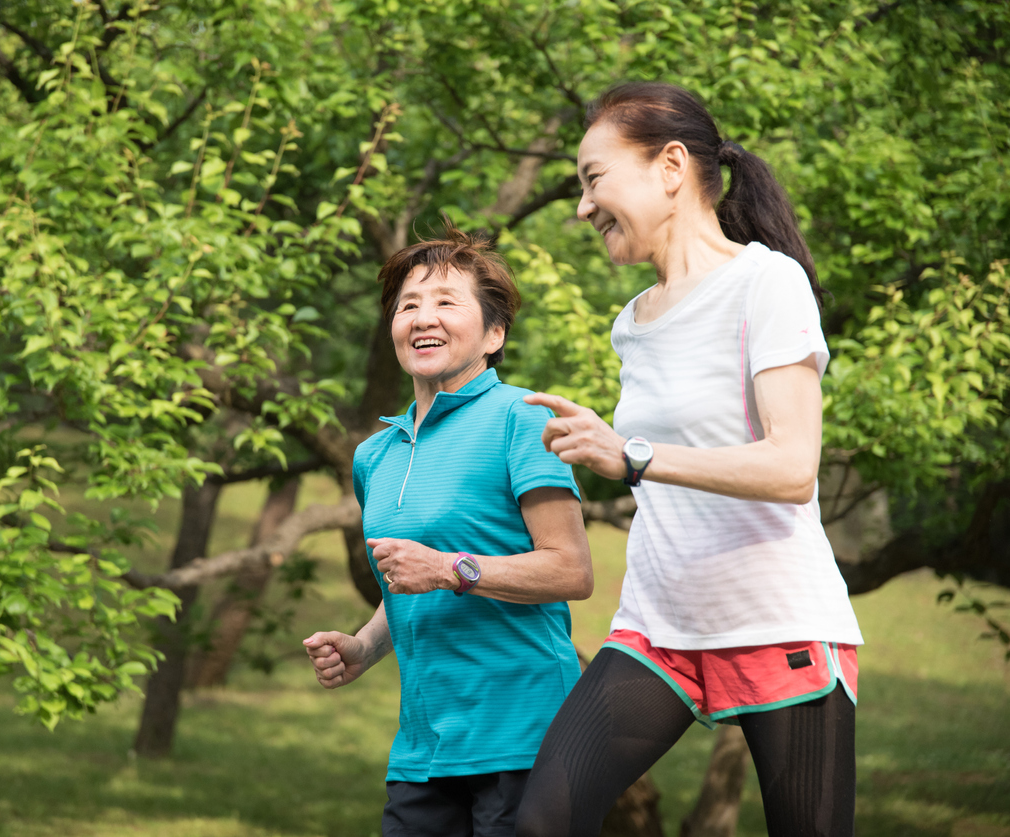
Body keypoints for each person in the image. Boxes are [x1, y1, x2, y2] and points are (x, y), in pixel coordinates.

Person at [515, 82, 863, 837]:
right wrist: (607, 447)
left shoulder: (766, 282)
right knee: (544, 820)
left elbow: (792, 466)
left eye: (593, 179)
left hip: (778, 620)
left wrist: (630, 453)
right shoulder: (631, 324)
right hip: (659, 624)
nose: (582, 206)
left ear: (671, 166)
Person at [303, 225, 594, 837]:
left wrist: (448, 568)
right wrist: (363, 647)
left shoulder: (523, 419)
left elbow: (571, 570)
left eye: (445, 302)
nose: (421, 317)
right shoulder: (374, 456)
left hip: (525, 738)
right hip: (424, 747)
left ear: (494, 334)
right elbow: (404, 584)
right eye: (408, 304)